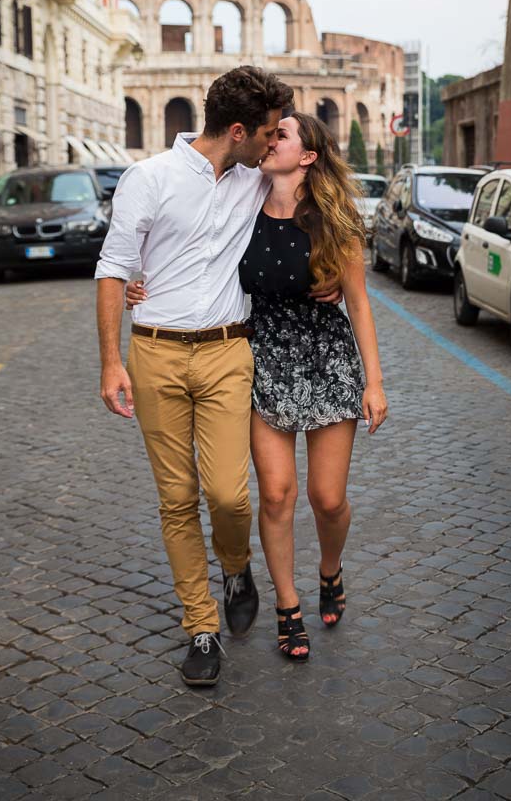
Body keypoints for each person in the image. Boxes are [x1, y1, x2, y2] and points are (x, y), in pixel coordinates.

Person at [96, 67, 338, 687]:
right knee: (177, 499)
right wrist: (111, 360)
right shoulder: (147, 179)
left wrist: (329, 268)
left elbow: (312, 197)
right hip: (156, 354)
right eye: (265, 133)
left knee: (230, 495)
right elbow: (114, 268)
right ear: (238, 131)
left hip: (231, 351)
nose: (271, 143)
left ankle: (236, 566)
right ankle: (200, 627)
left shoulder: (255, 178)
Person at [128, 112, 387, 663]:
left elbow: (361, 303)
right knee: (274, 494)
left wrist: (375, 382)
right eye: (270, 133)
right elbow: (186, 246)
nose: (272, 142)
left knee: (328, 497)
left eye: (283, 136)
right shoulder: (243, 202)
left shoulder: (334, 219)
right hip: (261, 357)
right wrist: (138, 283)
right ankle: (287, 608)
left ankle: (330, 567)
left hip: (326, 359)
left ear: (309, 156)